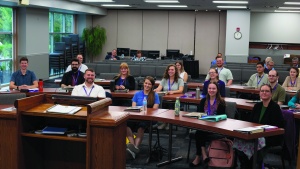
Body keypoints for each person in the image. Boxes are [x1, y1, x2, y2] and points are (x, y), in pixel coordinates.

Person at [237, 84, 284, 169]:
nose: (264, 93)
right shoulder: (257, 106)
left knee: (255, 145)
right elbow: (251, 123)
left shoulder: (275, 107)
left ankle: (254, 165)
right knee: (239, 141)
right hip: (255, 134)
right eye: (262, 91)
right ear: (259, 93)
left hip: (269, 137)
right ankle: (246, 165)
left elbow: (277, 126)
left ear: (271, 94)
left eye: (267, 91)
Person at [190, 82, 226, 167]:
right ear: (207, 89)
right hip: (204, 125)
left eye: (214, 89)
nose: (211, 90)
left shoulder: (221, 102)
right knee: (200, 132)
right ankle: (203, 153)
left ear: (217, 90)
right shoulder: (203, 101)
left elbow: (222, 117)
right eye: (210, 88)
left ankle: (198, 156)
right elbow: (199, 114)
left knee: (198, 133)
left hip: (215, 127)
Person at [126, 76, 160, 159]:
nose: (147, 85)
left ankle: (134, 148)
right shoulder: (137, 94)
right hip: (137, 116)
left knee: (141, 126)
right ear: (143, 84)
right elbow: (133, 107)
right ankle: (134, 148)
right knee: (125, 124)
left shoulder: (155, 95)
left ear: (152, 85)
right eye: (146, 83)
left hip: (149, 118)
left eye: (149, 84)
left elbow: (155, 109)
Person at [154, 64, 184, 130]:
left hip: (175, 100)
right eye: (169, 70)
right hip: (165, 99)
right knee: (162, 105)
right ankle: (165, 122)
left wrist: (173, 92)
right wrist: (155, 90)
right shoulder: (164, 79)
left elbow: (181, 90)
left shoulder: (179, 80)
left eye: (172, 70)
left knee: (170, 107)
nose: (170, 71)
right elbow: (159, 88)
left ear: (175, 71)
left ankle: (169, 123)